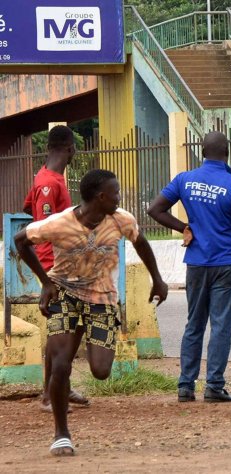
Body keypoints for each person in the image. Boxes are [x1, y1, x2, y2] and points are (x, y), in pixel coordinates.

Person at [14, 169, 168, 456]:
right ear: (101, 197)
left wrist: (157, 279)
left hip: (102, 300)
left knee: (100, 370)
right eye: (116, 192)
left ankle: (70, 344)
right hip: (65, 294)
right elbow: (20, 240)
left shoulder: (122, 219)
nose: (119, 197)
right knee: (61, 364)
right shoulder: (59, 223)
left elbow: (141, 242)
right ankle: (61, 434)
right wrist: (45, 283)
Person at [146, 131, 231, 404]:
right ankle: (214, 386)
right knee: (221, 325)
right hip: (226, 264)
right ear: (227, 152)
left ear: (202, 151)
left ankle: (185, 386)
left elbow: (154, 209)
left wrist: (184, 227)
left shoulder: (184, 180)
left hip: (196, 263)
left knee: (194, 323)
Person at [22, 125, 90, 413]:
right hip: (56, 266)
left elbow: (29, 209)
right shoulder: (51, 183)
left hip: (63, 263)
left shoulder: (43, 178)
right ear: (70, 149)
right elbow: (48, 225)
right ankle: (51, 394)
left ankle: (59, 385)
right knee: (62, 330)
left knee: (71, 325)